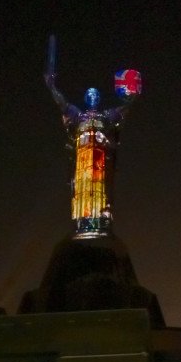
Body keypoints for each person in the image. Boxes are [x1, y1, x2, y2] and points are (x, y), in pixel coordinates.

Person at [44, 35, 140, 238]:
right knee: (82, 191)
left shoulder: (106, 116)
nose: (93, 96)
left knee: (99, 191)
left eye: (96, 94)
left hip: (100, 163)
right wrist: (52, 87)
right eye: (90, 94)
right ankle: (83, 223)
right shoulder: (78, 116)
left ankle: (99, 222)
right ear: (86, 99)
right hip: (82, 163)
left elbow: (123, 109)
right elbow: (61, 103)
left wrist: (131, 96)